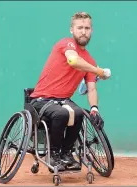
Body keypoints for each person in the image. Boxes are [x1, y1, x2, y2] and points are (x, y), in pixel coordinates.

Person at [30, 12, 111, 172]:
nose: (83, 31)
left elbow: (92, 88)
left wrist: (94, 108)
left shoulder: (89, 60)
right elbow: (73, 60)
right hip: (41, 100)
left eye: (87, 28)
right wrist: (98, 71)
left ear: (91, 31)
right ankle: (53, 154)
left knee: (79, 113)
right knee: (62, 113)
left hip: (63, 100)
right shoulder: (66, 44)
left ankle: (66, 153)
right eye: (79, 27)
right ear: (72, 30)